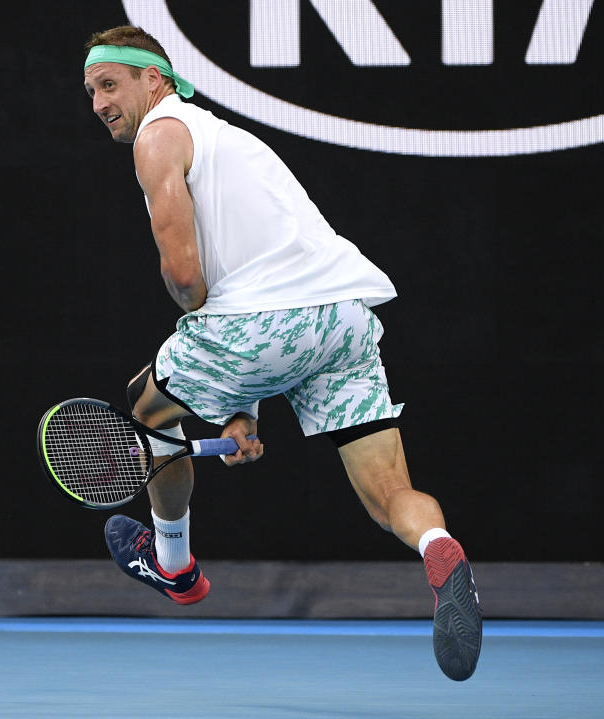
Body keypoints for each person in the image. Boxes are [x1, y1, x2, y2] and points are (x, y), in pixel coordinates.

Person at [82, 26, 482, 681]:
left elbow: (187, 278)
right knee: (392, 498)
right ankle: (441, 549)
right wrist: (242, 411)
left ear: (154, 79)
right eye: (91, 90)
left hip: (259, 326)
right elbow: (273, 307)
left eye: (109, 84)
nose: (98, 102)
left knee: (147, 406)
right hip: (343, 317)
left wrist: (233, 395)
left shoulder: (159, 137)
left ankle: (175, 563)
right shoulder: (230, 140)